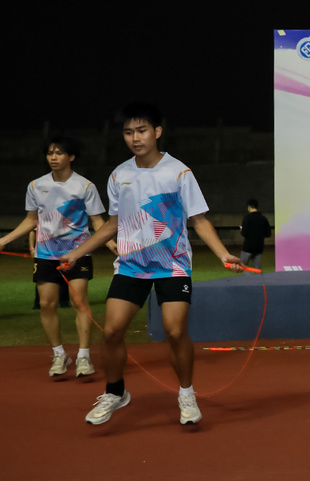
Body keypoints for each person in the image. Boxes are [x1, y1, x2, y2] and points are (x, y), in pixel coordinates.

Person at [60, 104, 244, 425]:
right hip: (131, 265)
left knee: (175, 332)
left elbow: (199, 220)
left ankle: (186, 393)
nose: (135, 138)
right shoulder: (119, 175)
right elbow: (112, 224)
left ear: (157, 132)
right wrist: (77, 253)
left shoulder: (179, 172)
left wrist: (222, 254)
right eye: (128, 132)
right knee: (112, 331)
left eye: (142, 131)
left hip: (173, 265)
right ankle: (116, 392)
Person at [0, 136, 115, 378]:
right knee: (46, 304)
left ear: (71, 157)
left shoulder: (85, 186)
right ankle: (59, 354)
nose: (53, 157)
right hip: (46, 254)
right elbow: (30, 221)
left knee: (79, 302)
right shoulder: (35, 186)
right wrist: (4, 240)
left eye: (59, 153)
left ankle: (84, 356)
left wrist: (111, 242)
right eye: (50, 153)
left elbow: (97, 221)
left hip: (78, 252)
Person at [239, 198, 272, 270]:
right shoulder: (263, 219)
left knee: (242, 267)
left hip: (248, 247)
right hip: (259, 248)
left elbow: (244, 233)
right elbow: (268, 234)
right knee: (257, 269)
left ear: (249, 207)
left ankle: (248, 277)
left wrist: (242, 230)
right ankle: (257, 278)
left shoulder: (247, 218)